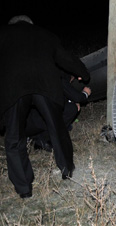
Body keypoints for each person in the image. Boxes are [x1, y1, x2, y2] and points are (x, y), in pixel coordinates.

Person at [0, 15, 90, 198]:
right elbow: (66, 58)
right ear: (31, 24)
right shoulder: (45, 34)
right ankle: (67, 170)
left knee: (14, 138)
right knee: (56, 128)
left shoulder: (3, 34)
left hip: (13, 88)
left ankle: (24, 189)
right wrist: (83, 73)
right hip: (46, 85)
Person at [26, 72, 92, 151]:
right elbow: (77, 97)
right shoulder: (60, 78)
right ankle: (43, 140)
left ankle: (37, 138)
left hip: (26, 123)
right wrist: (85, 93)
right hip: (33, 122)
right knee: (72, 108)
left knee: (66, 108)